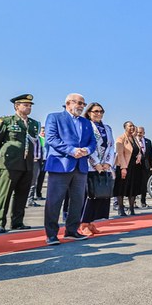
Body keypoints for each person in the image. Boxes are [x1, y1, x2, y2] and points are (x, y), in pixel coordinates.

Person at [43, 93, 97, 245]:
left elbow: (93, 142)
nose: (81, 106)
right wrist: (71, 150)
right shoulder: (54, 117)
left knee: (77, 200)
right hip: (61, 164)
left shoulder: (86, 122)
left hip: (80, 166)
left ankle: (72, 231)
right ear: (68, 103)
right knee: (54, 201)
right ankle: (51, 234)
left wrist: (87, 150)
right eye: (79, 103)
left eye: (83, 103)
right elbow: (51, 138)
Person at [0, 94, 41, 234]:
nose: (28, 107)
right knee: (5, 194)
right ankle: (0, 223)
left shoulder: (34, 124)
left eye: (30, 105)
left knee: (22, 194)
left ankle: (17, 222)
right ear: (16, 106)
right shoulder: (6, 121)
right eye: (25, 105)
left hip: (27, 164)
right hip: (10, 164)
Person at [79, 102, 115, 235]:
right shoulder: (86, 126)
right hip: (90, 165)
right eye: (95, 111)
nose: (99, 114)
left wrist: (107, 163)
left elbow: (111, 147)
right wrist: (96, 163)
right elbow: (88, 146)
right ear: (89, 113)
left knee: (101, 195)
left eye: (101, 111)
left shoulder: (107, 128)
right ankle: (83, 224)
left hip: (104, 166)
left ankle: (92, 222)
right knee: (90, 195)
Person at [113, 121, 144, 217]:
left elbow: (138, 150)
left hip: (134, 167)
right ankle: (121, 208)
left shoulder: (134, 138)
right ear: (125, 127)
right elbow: (120, 153)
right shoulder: (121, 138)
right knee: (121, 187)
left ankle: (131, 208)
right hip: (124, 166)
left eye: (133, 126)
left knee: (133, 188)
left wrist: (139, 155)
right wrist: (123, 168)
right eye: (130, 126)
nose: (132, 127)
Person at [27, 125, 47, 207]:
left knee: (34, 181)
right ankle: (29, 199)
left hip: (39, 161)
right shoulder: (32, 138)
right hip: (33, 161)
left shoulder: (40, 139)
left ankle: (31, 198)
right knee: (32, 182)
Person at [136, 126, 152, 208]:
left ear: (143, 133)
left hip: (145, 166)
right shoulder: (133, 141)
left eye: (140, 132)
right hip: (136, 166)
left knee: (144, 184)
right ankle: (133, 202)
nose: (139, 134)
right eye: (137, 132)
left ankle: (143, 201)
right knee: (136, 184)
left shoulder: (148, 142)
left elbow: (150, 154)